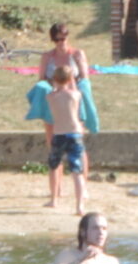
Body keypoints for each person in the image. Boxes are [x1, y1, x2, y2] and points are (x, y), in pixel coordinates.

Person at [25, 23, 99, 191]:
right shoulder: (47, 57)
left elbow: (85, 80)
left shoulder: (78, 54)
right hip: (55, 101)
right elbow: (41, 80)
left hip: (72, 102)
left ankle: (83, 187)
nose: (61, 42)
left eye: (63, 38)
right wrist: (55, 90)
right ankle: (55, 189)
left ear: (67, 36)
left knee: (78, 146)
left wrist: (71, 89)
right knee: (53, 145)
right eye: (57, 39)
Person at [44, 66, 88, 214]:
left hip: (59, 134)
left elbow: (56, 91)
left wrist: (58, 84)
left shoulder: (51, 97)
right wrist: (71, 81)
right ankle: (79, 205)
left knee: (54, 166)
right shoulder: (75, 95)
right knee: (77, 171)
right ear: (70, 80)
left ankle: (54, 199)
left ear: (55, 80)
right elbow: (74, 90)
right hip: (74, 134)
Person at [51, 212, 127, 264]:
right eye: (95, 228)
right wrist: (80, 259)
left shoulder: (112, 262)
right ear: (83, 232)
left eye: (104, 228)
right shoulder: (68, 255)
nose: (101, 232)